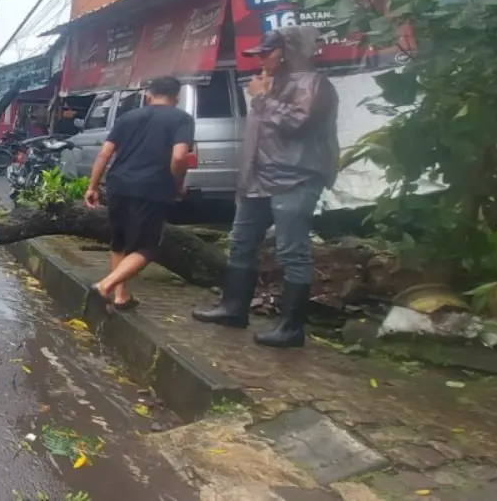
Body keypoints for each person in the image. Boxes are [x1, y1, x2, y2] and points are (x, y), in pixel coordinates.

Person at [192, 26, 339, 349]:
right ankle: (233, 308)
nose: (259, 59)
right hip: (256, 181)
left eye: (265, 53)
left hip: (295, 179)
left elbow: (297, 124)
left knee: (292, 251)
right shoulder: (268, 84)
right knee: (241, 242)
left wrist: (261, 98)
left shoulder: (314, 84)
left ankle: (290, 327)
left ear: (286, 52)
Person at [83, 76, 194, 309]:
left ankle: (121, 296)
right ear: (177, 97)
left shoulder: (128, 117)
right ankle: (106, 286)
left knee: (120, 242)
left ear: (148, 94)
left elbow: (104, 153)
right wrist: (177, 184)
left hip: (118, 185)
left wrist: (92, 187)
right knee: (146, 247)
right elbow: (179, 156)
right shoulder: (182, 119)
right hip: (151, 188)